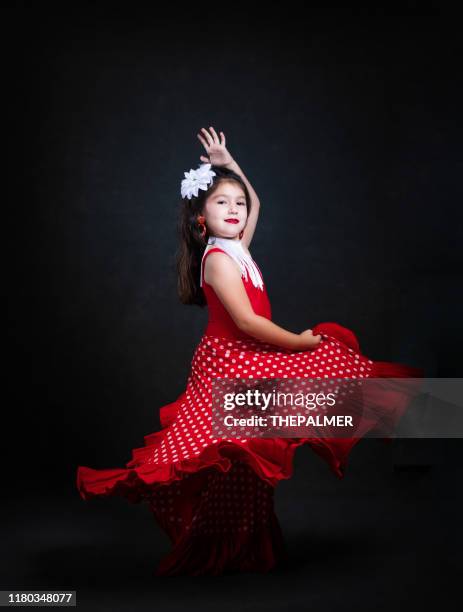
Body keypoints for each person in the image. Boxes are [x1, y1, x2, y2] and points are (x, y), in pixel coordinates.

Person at [77, 126, 423, 576]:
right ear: (200, 216)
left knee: (285, 420)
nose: (236, 209)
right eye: (222, 202)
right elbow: (247, 323)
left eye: (237, 203)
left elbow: (256, 202)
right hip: (228, 365)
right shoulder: (218, 260)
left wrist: (228, 164)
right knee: (238, 452)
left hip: (251, 358)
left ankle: (426, 412)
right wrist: (298, 341)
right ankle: (221, 545)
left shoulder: (237, 247)